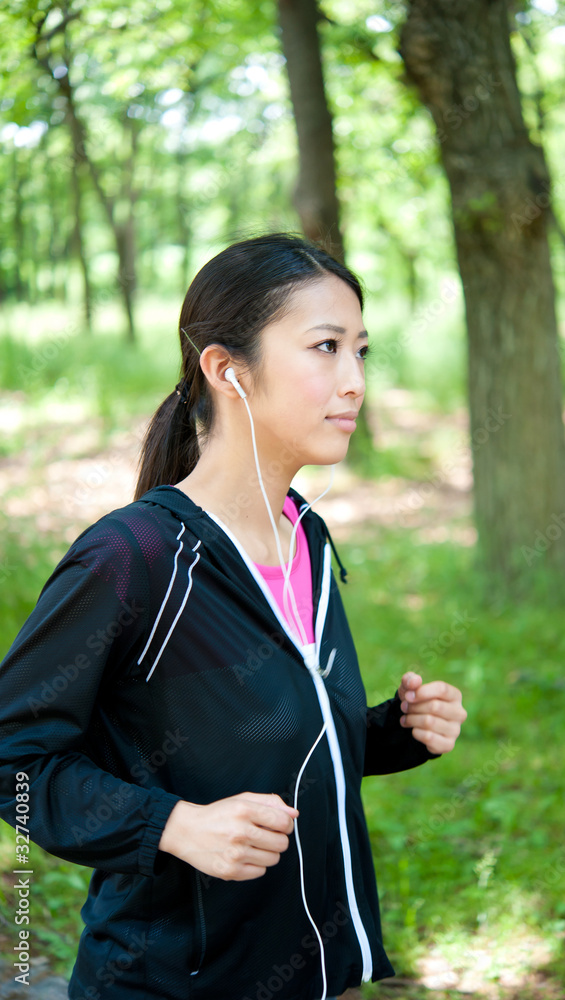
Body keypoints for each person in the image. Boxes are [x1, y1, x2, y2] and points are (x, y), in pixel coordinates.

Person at [0, 233, 467, 1000]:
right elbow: (14, 757)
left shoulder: (305, 536)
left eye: (361, 351)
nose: (353, 382)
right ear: (226, 369)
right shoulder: (134, 558)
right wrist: (173, 824)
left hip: (310, 978)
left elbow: (259, 741)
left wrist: (389, 734)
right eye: (324, 347)